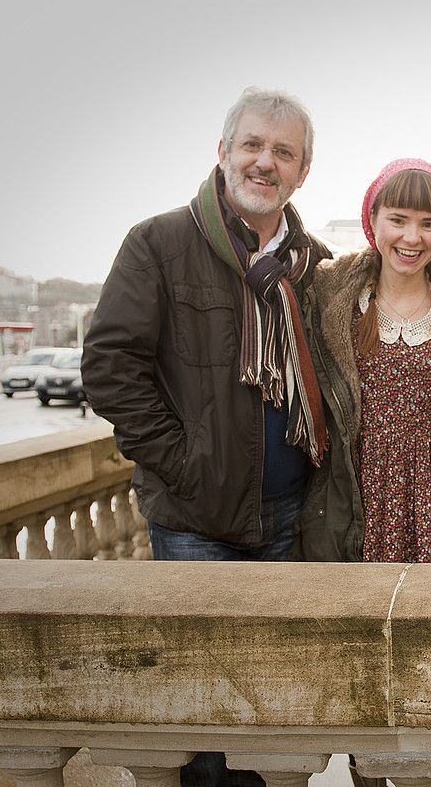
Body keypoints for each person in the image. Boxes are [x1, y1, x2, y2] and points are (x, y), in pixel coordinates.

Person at [82, 87, 328, 785]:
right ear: (222, 154)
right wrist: (185, 465)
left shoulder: (315, 265)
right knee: (204, 705)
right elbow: (109, 369)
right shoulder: (158, 243)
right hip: (194, 517)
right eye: (251, 145)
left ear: (302, 172)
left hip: (288, 516)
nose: (264, 162)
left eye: (284, 152)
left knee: (269, 700)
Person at [297, 158, 431, 564]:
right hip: (357, 489)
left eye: (428, 223)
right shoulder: (330, 296)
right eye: (398, 219)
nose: (412, 238)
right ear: (373, 219)